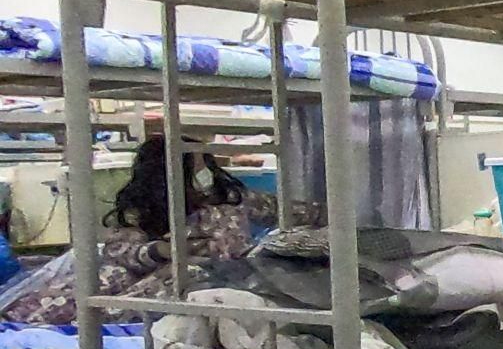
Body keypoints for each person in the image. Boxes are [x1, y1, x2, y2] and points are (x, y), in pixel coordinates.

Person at [2, 137, 304, 324]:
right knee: (111, 275)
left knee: (183, 273)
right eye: (197, 167)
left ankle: (95, 321)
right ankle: (31, 316)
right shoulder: (146, 208)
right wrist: (160, 250)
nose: (205, 173)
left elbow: (303, 212)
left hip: (219, 278)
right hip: (156, 271)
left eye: (206, 165)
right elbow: (121, 250)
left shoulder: (233, 201)